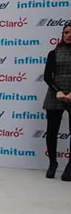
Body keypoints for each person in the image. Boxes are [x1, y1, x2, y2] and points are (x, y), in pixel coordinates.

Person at [42, 22, 71, 181]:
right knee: (52, 131)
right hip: (55, 93)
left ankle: (70, 166)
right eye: (66, 32)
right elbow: (47, 76)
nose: (69, 35)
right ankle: (52, 163)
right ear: (62, 34)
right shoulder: (53, 53)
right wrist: (58, 91)